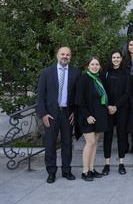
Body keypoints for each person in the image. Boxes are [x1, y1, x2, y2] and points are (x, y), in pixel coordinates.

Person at [36, 46, 80, 183]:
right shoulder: (47, 73)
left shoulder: (76, 73)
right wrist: (43, 114)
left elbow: (79, 96)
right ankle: (51, 172)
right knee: (50, 144)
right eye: (62, 54)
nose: (65, 56)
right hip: (51, 115)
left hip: (68, 114)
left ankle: (66, 171)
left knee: (67, 143)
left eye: (68, 54)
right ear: (57, 55)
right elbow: (40, 96)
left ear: (70, 57)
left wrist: (75, 112)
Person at [75, 57, 109, 181]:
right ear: (88, 66)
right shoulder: (83, 79)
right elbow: (79, 100)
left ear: (99, 66)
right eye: (92, 64)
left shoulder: (99, 79)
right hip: (87, 116)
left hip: (98, 115)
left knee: (95, 143)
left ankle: (91, 169)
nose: (95, 66)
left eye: (97, 64)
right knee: (90, 142)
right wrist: (87, 115)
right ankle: (85, 171)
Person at [101, 50, 130, 176]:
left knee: (121, 135)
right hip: (107, 110)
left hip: (121, 109)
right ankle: (106, 164)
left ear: (121, 59)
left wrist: (116, 106)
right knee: (107, 136)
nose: (116, 59)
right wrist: (108, 106)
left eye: (118, 57)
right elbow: (102, 91)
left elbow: (127, 93)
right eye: (114, 57)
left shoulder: (126, 73)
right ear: (111, 59)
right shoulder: (105, 73)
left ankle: (121, 163)